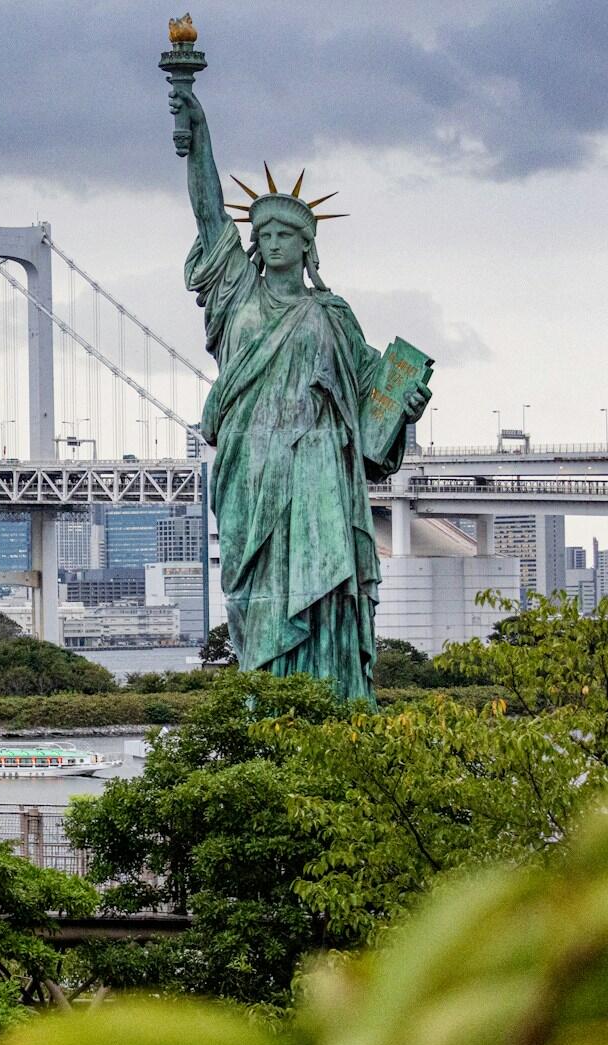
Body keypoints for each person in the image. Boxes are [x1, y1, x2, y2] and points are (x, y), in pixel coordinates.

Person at [169, 81, 430, 701]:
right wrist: (197, 133)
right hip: (251, 469)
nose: (273, 242)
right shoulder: (237, 294)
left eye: (287, 234)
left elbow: (374, 403)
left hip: (319, 476)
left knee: (326, 599)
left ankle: (333, 709)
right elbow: (209, 215)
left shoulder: (332, 315)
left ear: (308, 246)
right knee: (259, 605)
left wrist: (407, 410)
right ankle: (268, 718)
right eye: (264, 234)